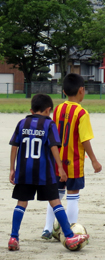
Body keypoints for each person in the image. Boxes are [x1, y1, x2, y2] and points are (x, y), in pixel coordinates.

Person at [8, 94, 89, 251]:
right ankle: (69, 236)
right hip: (44, 172)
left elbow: (14, 146)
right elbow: (53, 146)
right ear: (48, 110)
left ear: (31, 110)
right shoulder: (49, 124)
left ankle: (13, 237)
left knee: (21, 203)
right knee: (55, 202)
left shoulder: (22, 123)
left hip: (24, 171)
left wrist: (12, 168)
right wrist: (60, 167)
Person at [42, 73, 102, 240]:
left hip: (57, 161)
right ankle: (72, 228)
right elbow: (85, 140)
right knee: (73, 195)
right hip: (74, 161)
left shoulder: (59, 109)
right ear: (81, 90)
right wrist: (94, 160)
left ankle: (47, 228)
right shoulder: (82, 113)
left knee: (56, 195)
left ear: (63, 91)